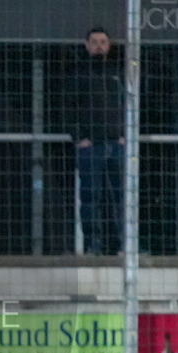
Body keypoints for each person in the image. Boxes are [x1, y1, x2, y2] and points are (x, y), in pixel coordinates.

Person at [64, 26, 124, 255]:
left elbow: (128, 105)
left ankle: (123, 244)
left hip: (117, 145)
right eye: (95, 42)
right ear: (87, 45)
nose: (99, 46)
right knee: (91, 197)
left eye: (103, 42)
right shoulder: (78, 75)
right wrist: (79, 138)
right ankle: (93, 245)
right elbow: (67, 109)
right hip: (91, 147)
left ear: (109, 45)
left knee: (122, 198)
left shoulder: (118, 74)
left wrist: (124, 135)